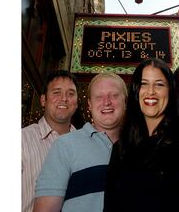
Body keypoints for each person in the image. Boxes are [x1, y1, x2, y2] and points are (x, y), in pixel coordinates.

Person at [104, 58, 179, 212]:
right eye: (144, 84)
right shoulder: (120, 149)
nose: (151, 91)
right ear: (136, 92)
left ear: (170, 92)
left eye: (159, 84)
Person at [33, 72, 127, 212]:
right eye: (99, 97)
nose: (106, 101)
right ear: (89, 104)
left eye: (114, 95)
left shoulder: (141, 148)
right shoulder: (64, 146)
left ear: (126, 102)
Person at [22, 70, 79, 212]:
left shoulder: (85, 145)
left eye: (71, 93)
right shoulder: (21, 140)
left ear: (77, 103)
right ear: (43, 100)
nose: (64, 98)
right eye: (56, 92)